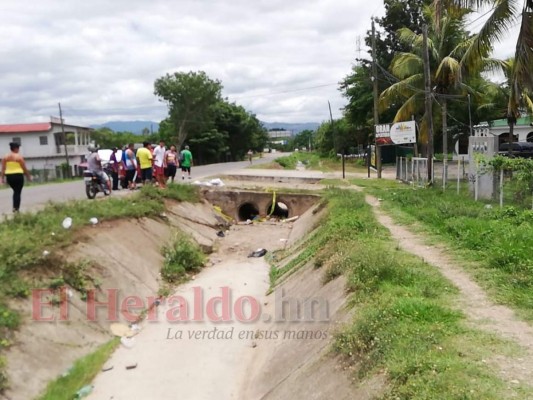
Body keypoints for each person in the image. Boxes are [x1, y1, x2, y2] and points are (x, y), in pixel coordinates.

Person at [0, 142, 32, 213]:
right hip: (18, 176)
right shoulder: (19, 157)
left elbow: (3, 168)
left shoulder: (5, 157)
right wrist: (28, 176)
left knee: (15, 191)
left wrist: (2, 178)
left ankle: (15, 207)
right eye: (18, 148)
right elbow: (24, 168)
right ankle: (16, 208)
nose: (19, 150)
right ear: (15, 148)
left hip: (9, 176)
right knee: (17, 192)